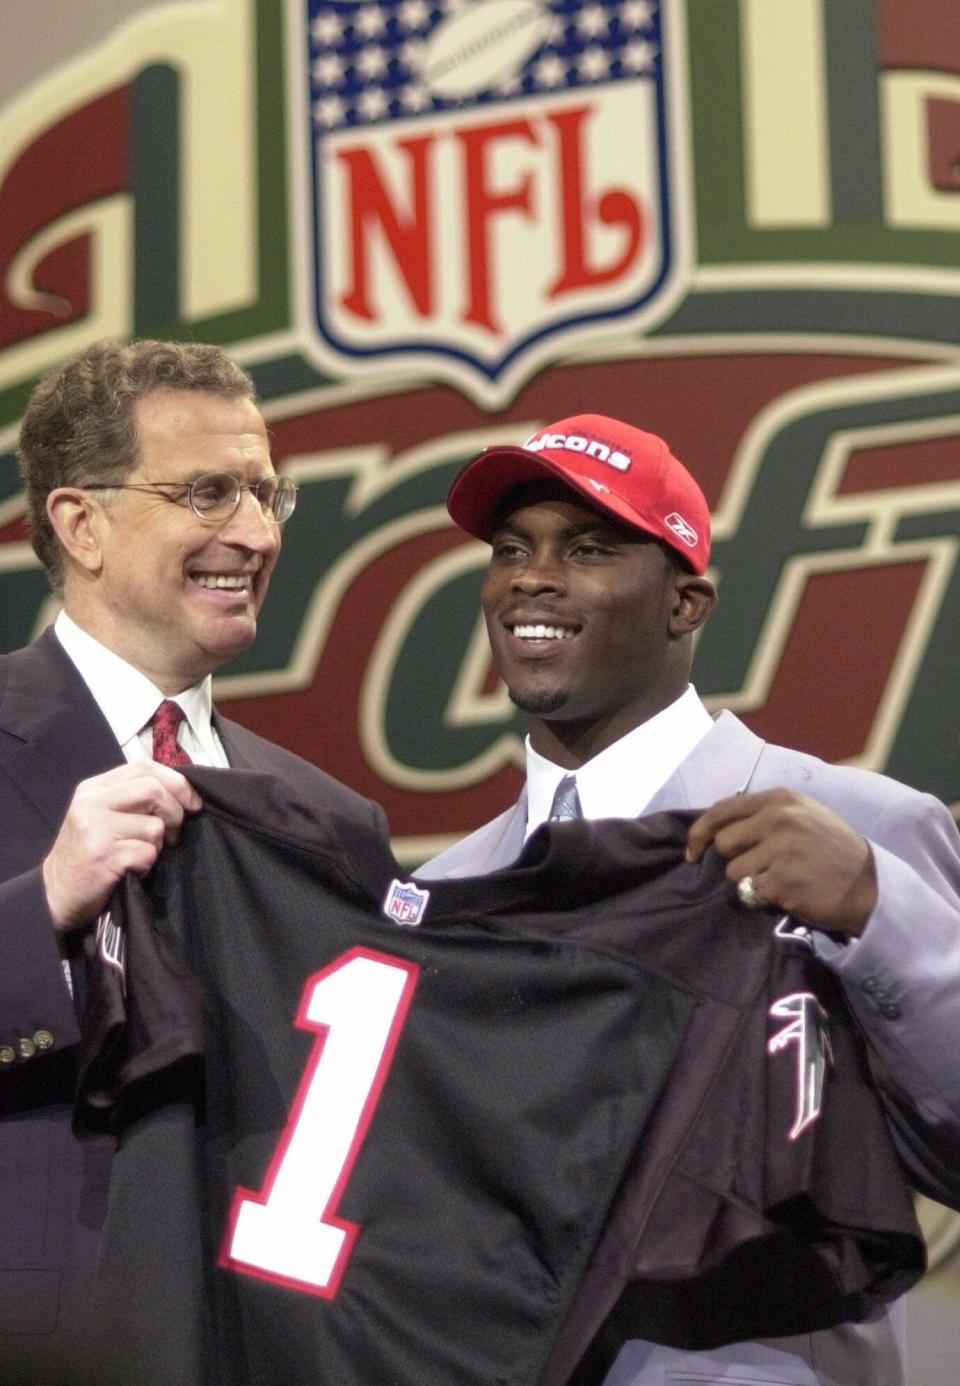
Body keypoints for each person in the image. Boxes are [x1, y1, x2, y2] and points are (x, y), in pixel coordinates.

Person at [418, 412, 960, 1386]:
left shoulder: (857, 826)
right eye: (511, 550)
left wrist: (878, 914)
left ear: (687, 603)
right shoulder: (442, 895)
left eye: (588, 549)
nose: (531, 578)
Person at [0, 339, 389, 1384]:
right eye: (208, 493)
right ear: (81, 523)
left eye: (267, 494)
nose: (256, 534)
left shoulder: (333, 822)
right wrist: (44, 908)